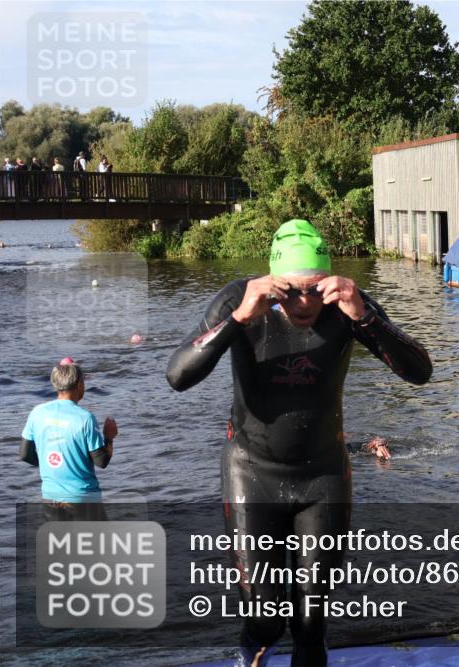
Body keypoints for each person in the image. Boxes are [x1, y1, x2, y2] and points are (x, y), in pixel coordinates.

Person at [166, 219, 431, 666]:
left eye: (315, 289)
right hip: (252, 473)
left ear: (329, 280)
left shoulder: (347, 304)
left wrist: (363, 316)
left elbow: (419, 371)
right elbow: (178, 376)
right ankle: (253, 647)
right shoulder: (239, 299)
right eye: (290, 291)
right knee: (267, 618)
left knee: (311, 621)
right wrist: (238, 320)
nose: (305, 302)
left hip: (322, 476)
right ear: (271, 281)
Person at [19, 358, 119, 521]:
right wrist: (109, 437)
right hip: (83, 497)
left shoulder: (37, 413)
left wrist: (50, 463)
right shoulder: (85, 418)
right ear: (79, 384)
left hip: (51, 497)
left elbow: (24, 454)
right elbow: (102, 461)